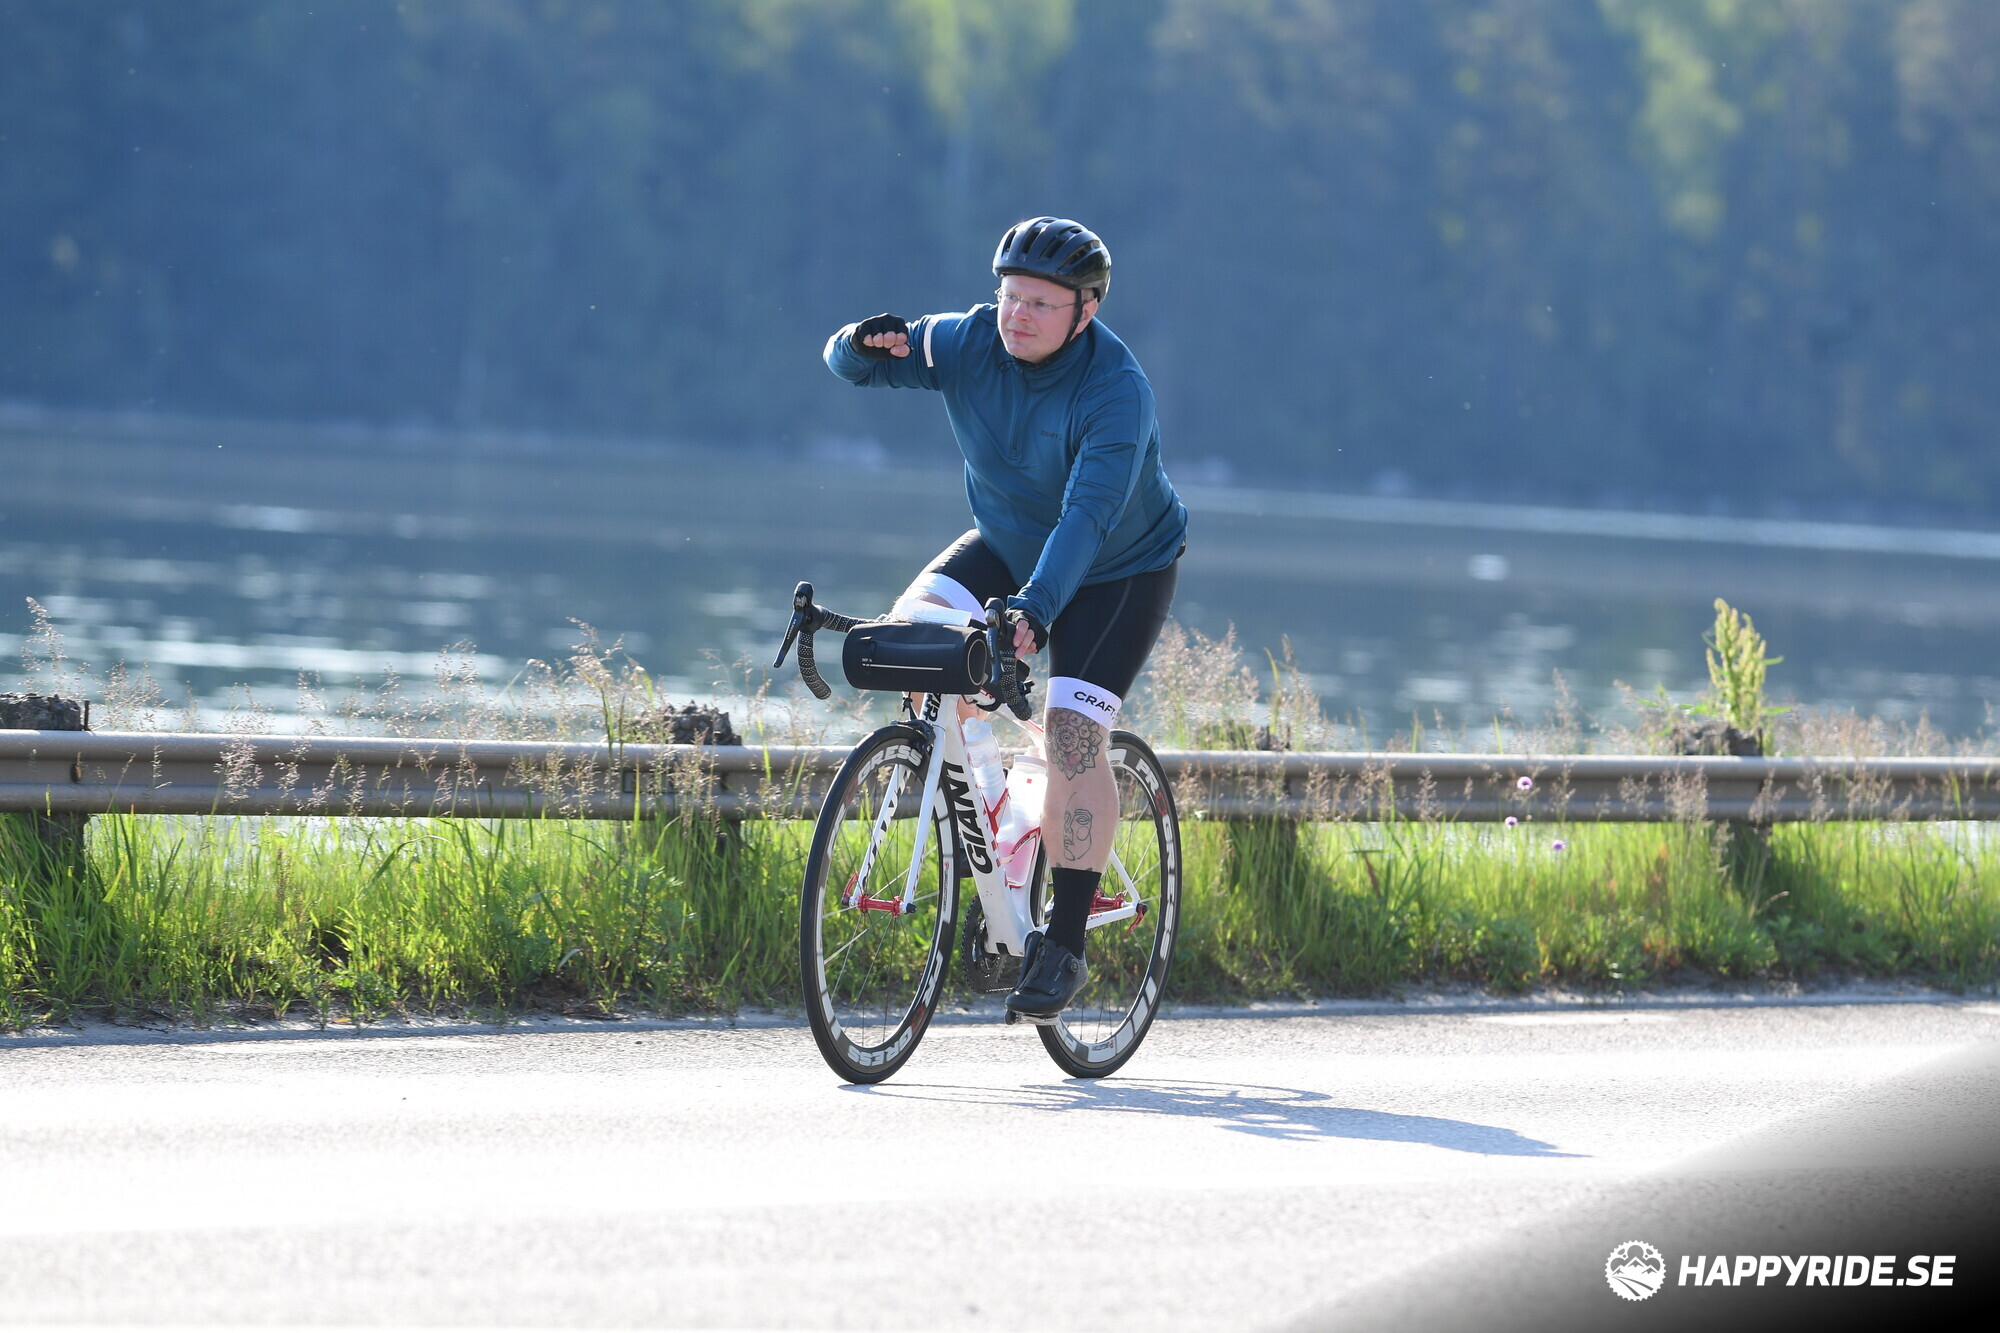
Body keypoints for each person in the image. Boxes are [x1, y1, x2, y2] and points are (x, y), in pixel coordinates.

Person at [823, 216, 1188, 1021]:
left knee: (1072, 732)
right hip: (1006, 540)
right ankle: (1005, 842)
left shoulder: (1117, 391)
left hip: (1118, 568)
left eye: (1040, 303)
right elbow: (851, 365)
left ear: (1085, 312)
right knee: (911, 641)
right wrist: (855, 343)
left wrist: (1034, 613)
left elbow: (1086, 520)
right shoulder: (967, 340)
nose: (1017, 315)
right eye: (1009, 296)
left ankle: (1064, 941)